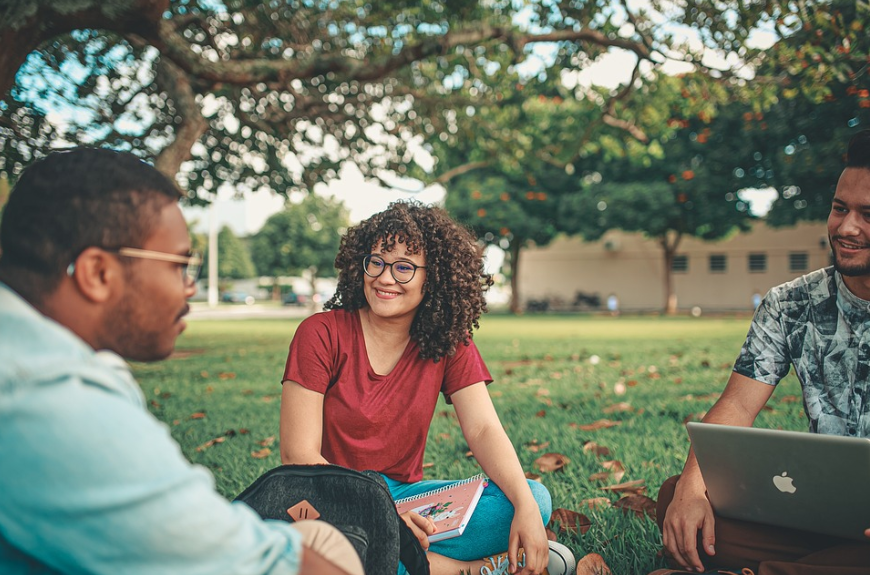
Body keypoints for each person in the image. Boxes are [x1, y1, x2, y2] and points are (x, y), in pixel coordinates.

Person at [0, 148, 363, 575]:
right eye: (179, 265)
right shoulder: (51, 402)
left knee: (318, 537)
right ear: (98, 273)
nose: (189, 287)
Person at [279, 201, 575, 575]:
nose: (385, 278)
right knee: (325, 549)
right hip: (329, 501)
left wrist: (527, 511)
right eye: (377, 261)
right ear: (361, 265)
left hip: (405, 500)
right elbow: (298, 456)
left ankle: (397, 558)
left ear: (432, 277)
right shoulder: (320, 333)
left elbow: (483, 429)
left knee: (532, 496)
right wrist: (383, 519)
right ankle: (463, 570)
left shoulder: (448, 341)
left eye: (404, 267)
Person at [651, 130, 870, 575]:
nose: (846, 228)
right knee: (678, 501)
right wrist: (693, 490)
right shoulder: (792, 303)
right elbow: (736, 405)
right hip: (823, 514)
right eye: (839, 208)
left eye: (868, 214)